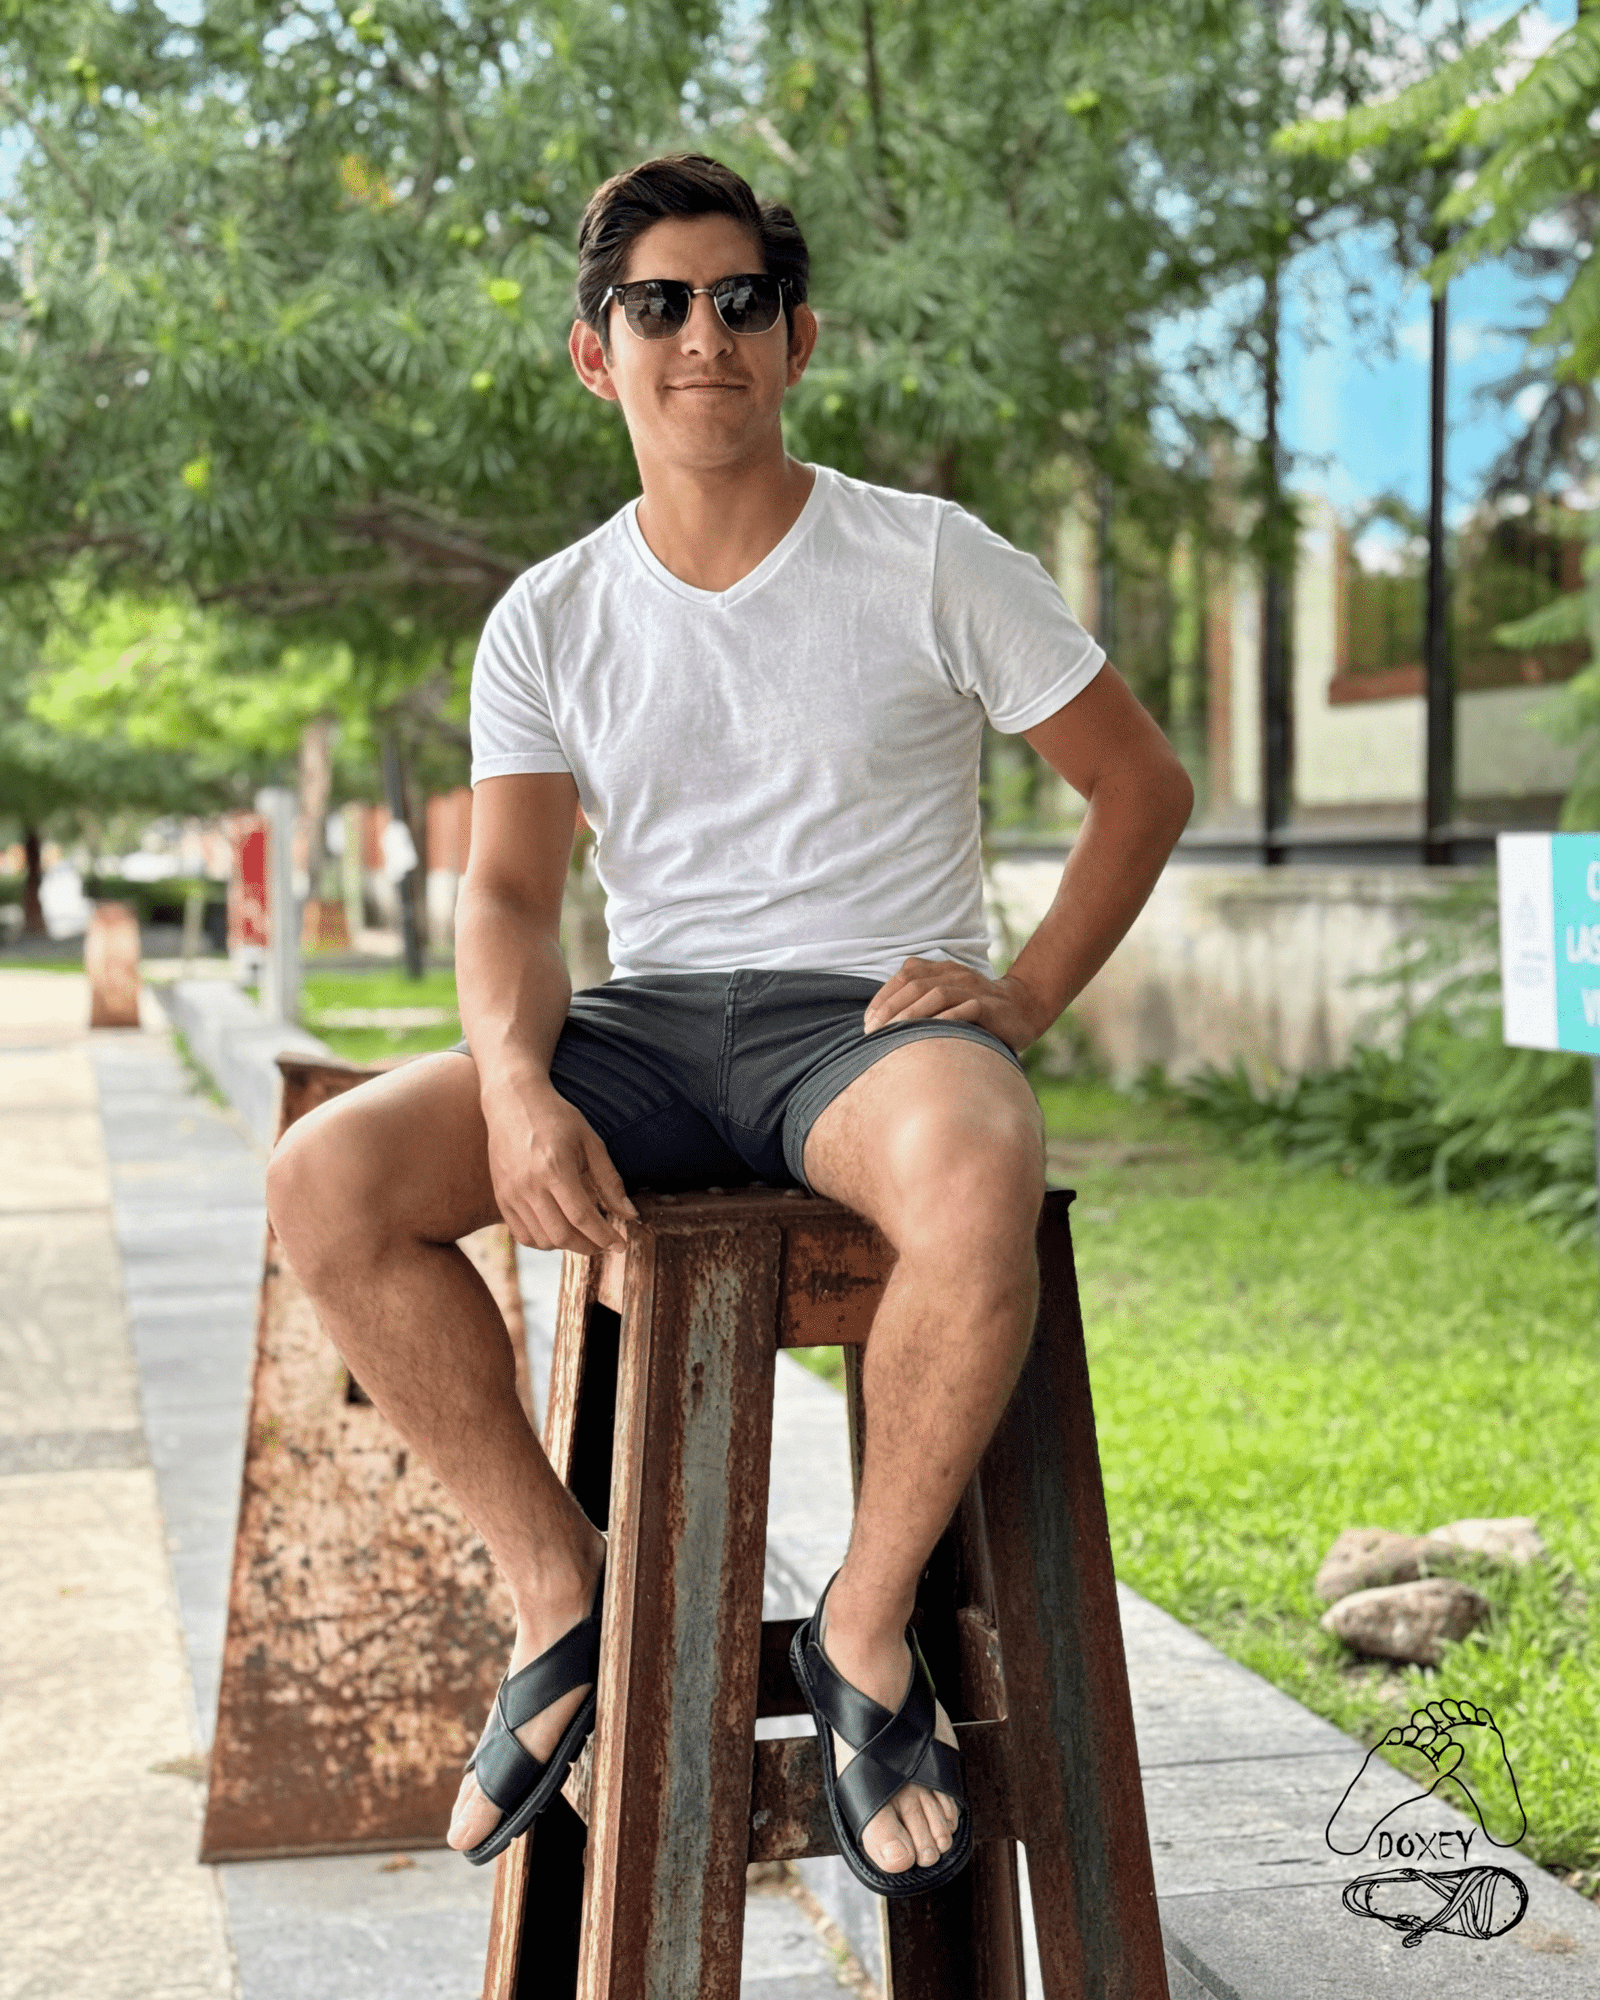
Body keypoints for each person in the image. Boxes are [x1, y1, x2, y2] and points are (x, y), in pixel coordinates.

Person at [266, 151, 1193, 1899]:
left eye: (743, 299)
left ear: (797, 340)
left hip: (866, 1027)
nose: (706, 333)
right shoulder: (550, 615)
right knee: (327, 1180)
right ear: (596, 352)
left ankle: (863, 1630)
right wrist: (518, 1084)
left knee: (976, 1167)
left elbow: (1141, 783)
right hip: (644, 1025)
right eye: (662, 304)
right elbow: (511, 898)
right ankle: (561, 1587)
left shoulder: (931, 557)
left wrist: (1023, 994)